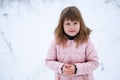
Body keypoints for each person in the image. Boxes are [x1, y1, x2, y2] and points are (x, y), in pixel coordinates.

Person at [45, 6, 99, 80]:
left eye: (75, 23)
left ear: (80, 24)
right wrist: (61, 68)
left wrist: (76, 68)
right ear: (62, 25)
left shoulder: (86, 41)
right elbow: (48, 61)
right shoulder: (57, 41)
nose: (72, 27)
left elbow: (94, 63)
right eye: (68, 23)